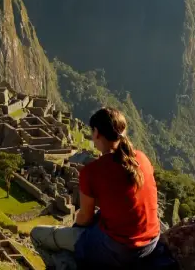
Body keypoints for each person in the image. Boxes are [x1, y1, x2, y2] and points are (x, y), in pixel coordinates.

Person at [30, 107, 160, 269]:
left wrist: (75, 233)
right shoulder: (142, 158)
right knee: (99, 216)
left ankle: (66, 265)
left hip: (120, 250)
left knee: (37, 234)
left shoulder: (92, 171)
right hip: (151, 242)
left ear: (96, 133)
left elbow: (85, 217)